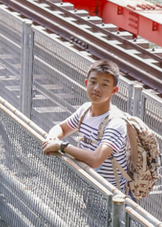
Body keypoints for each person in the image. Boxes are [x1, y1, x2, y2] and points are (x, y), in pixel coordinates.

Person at [41, 59, 129, 195]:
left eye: (105, 85)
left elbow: (95, 160)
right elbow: (62, 128)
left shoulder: (116, 122)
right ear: (86, 83)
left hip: (112, 198)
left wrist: (61, 146)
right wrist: (52, 138)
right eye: (93, 82)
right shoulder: (85, 110)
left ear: (114, 90)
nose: (97, 88)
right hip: (91, 190)